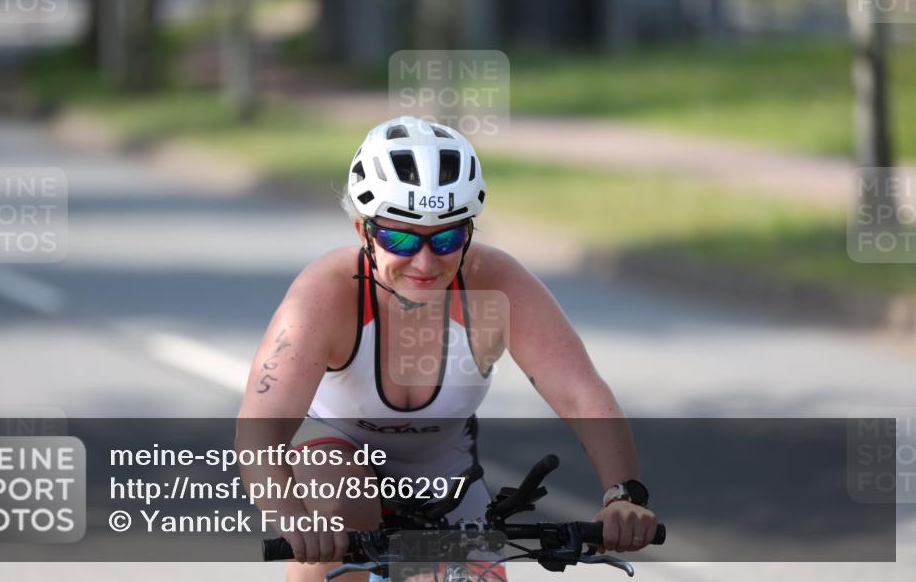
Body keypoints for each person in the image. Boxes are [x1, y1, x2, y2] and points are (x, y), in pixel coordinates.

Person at [236, 116, 658, 582]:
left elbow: (581, 393)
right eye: (400, 238)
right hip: (334, 474)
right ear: (364, 233)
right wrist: (297, 521)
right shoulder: (326, 294)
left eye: (446, 238)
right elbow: (261, 428)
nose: (424, 261)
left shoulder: (497, 285)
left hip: (449, 483)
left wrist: (624, 496)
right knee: (335, 498)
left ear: (469, 234)